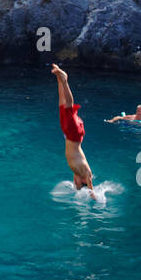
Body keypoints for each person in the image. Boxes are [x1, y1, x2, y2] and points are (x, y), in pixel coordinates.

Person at [52, 63, 95, 198]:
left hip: (68, 135)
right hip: (74, 136)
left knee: (62, 106)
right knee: (69, 107)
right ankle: (65, 80)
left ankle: (59, 78)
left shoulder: (77, 172)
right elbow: (90, 185)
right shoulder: (85, 173)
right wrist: (91, 192)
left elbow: (79, 184)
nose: (74, 183)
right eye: (76, 184)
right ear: (82, 181)